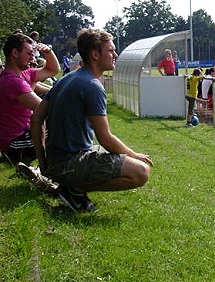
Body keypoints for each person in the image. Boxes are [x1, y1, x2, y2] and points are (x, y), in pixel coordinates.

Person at [31, 28, 153, 212]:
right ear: (95, 54)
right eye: (110, 50)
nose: (115, 54)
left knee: (120, 157)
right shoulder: (92, 86)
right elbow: (105, 138)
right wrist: (134, 154)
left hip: (55, 162)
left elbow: (36, 118)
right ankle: (75, 190)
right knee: (141, 172)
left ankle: (71, 187)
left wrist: (43, 160)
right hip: (69, 163)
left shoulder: (67, 78)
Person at [0, 32, 59, 165]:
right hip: (15, 145)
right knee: (62, 119)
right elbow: (44, 107)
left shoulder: (24, 74)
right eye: (29, 53)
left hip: (23, 135)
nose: (33, 58)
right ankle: (57, 165)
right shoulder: (11, 81)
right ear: (15, 53)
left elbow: (53, 70)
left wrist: (48, 52)